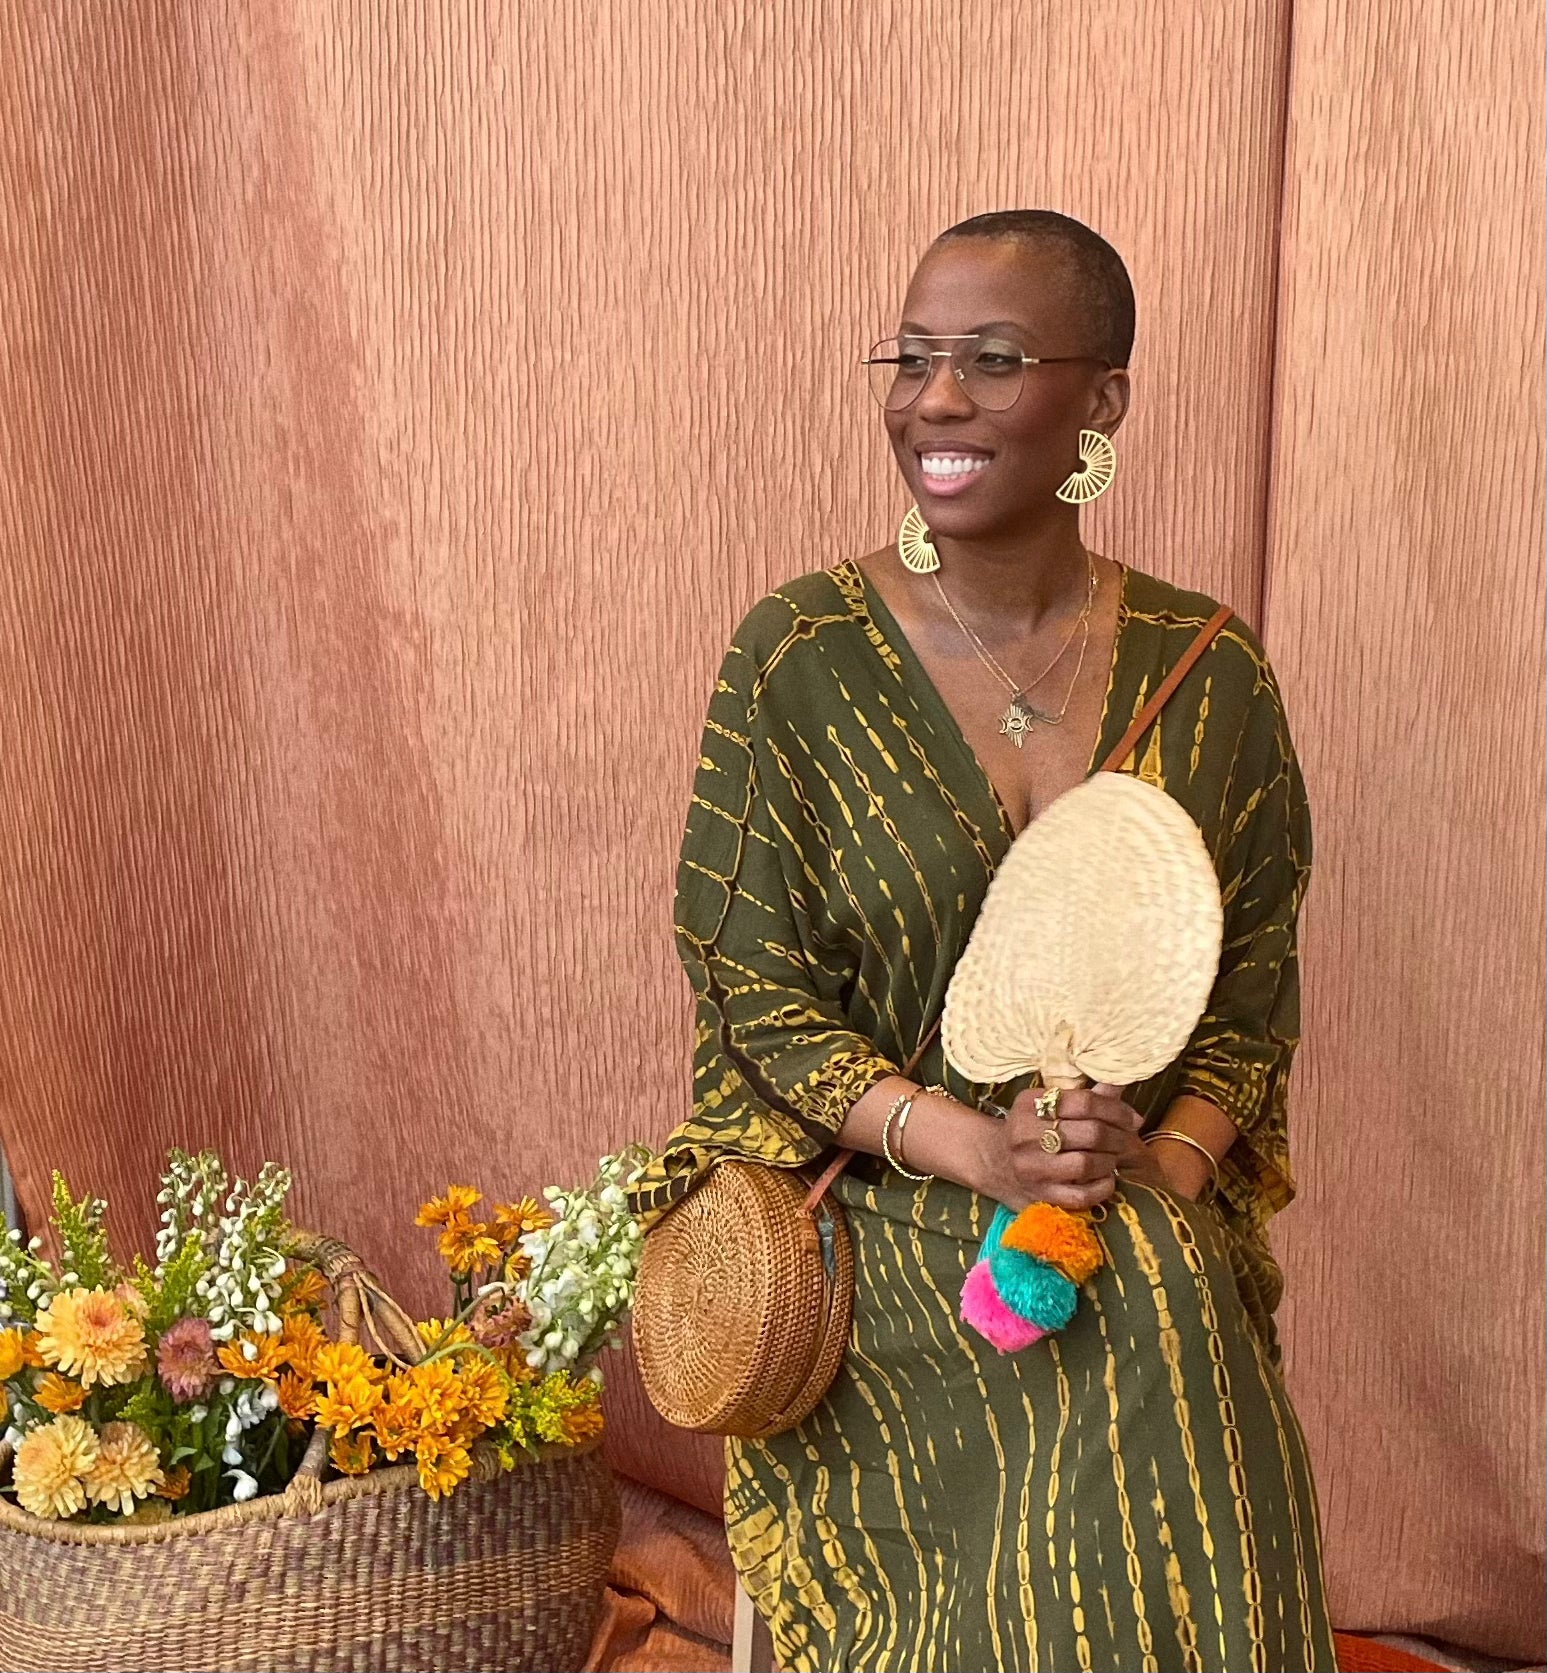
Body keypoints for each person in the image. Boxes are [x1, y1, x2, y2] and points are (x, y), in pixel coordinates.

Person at [632, 210, 1336, 1673]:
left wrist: (1165, 1163)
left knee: (1160, 1277)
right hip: (880, 1192)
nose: (935, 400)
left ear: (1102, 400)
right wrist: (978, 1150)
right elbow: (752, 987)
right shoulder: (801, 654)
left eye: (994, 360)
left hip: (1121, 1184)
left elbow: (1254, 984)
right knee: (1134, 1311)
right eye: (913, 359)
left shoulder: (1211, 672)